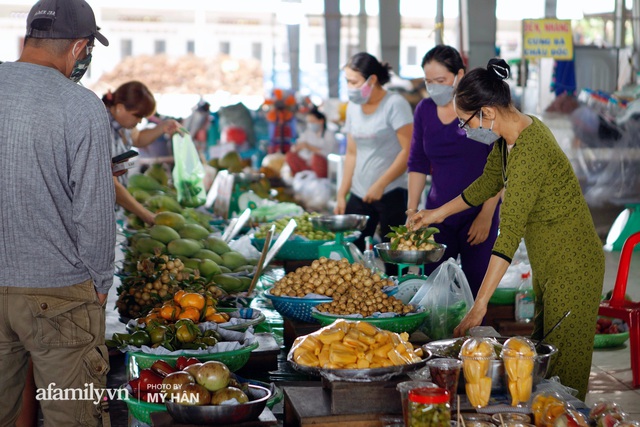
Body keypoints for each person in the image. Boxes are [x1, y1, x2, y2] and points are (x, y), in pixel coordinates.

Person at [410, 58, 604, 400]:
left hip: (573, 266)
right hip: (552, 264)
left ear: (487, 113)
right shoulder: (510, 137)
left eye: (465, 122)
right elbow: (487, 182)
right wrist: (435, 214)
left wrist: (479, 305)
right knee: (547, 358)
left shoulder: (530, 151)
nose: (465, 130)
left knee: (564, 372)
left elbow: (508, 235)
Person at [0, 0, 115, 425]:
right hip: (59, 294)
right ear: (79, 47)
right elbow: (95, 213)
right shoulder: (81, 106)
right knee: (74, 416)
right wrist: (100, 285)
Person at [406, 45, 501, 297]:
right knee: (433, 293)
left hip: (478, 214)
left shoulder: (481, 110)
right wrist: (412, 210)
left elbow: (499, 165)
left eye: (441, 80)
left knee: (478, 290)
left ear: (459, 74)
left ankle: (476, 337)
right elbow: (417, 163)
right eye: (428, 81)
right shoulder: (424, 111)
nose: (434, 86)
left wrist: (487, 214)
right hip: (436, 217)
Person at [335, 52, 414, 264]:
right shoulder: (353, 107)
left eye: (354, 82)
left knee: (394, 257)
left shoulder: (395, 104)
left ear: (372, 79)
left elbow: (408, 151)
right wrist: (342, 194)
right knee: (351, 255)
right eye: (347, 82)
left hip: (392, 192)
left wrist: (381, 184)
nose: (350, 87)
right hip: (359, 193)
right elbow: (351, 153)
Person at [102, 81, 181, 225]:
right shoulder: (102, 128)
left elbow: (137, 138)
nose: (139, 122)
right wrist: (146, 215)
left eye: (142, 117)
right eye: (137, 116)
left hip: (115, 210)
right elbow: (110, 184)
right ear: (120, 107)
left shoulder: (123, 124)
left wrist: (163, 126)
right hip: (101, 213)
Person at [285, 107, 338, 178]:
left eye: (312, 122)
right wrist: (297, 147)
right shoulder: (308, 133)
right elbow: (297, 146)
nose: (310, 124)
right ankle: (301, 177)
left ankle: (318, 180)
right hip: (307, 162)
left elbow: (327, 153)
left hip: (322, 165)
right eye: (309, 122)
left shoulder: (329, 134)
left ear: (321, 121)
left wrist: (309, 147)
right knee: (290, 156)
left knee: (316, 158)